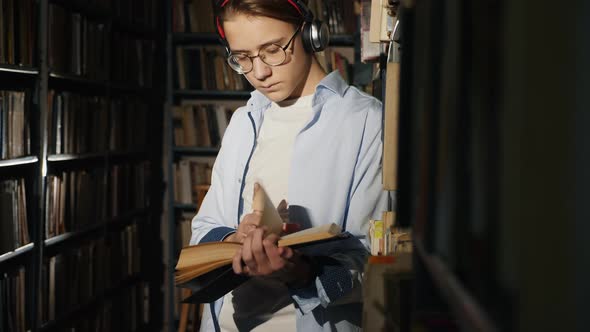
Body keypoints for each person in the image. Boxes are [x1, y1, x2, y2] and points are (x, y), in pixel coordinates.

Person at [190, 0, 388, 331]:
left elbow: (376, 266)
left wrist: (301, 272)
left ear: (312, 35)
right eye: (243, 57)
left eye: (272, 49)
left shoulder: (366, 122)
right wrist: (234, 241)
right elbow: (203, 229)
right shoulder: (243, 121)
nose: (260, 72)